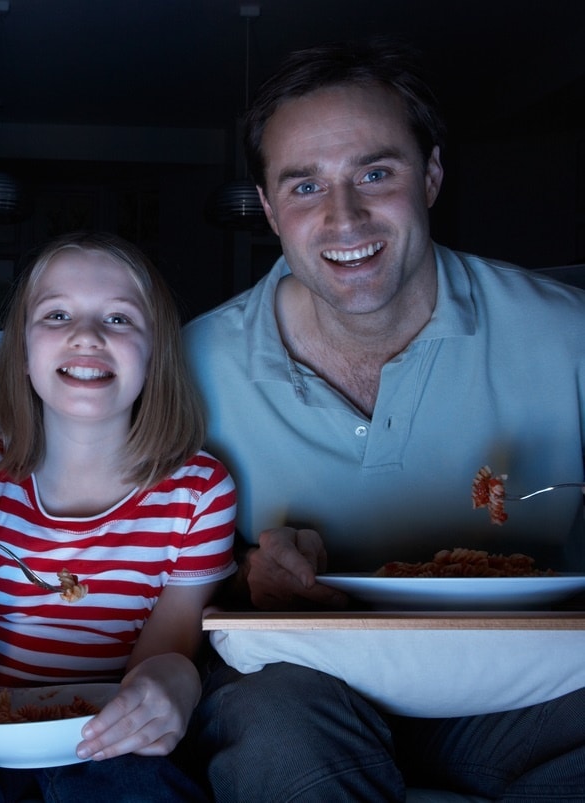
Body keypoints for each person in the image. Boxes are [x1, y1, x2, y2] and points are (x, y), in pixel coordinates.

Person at [183, 40, 585, 800]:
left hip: (525, 692)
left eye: (375, 173)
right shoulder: (189, 362)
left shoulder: (570, 333)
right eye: (305, 186)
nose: (345, 217)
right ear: (269, 207)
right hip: (303, 689)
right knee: (272, 734)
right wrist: (243, 577)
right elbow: (137, 560)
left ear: (430, 175)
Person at [0, 232, 236, 802]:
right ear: (24, 351)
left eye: (120, 319)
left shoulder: (198, 492)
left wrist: (171, 682)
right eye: (57, 315)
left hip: (108, 741)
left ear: (156, 353)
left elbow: (158, 666)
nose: (86, 335)